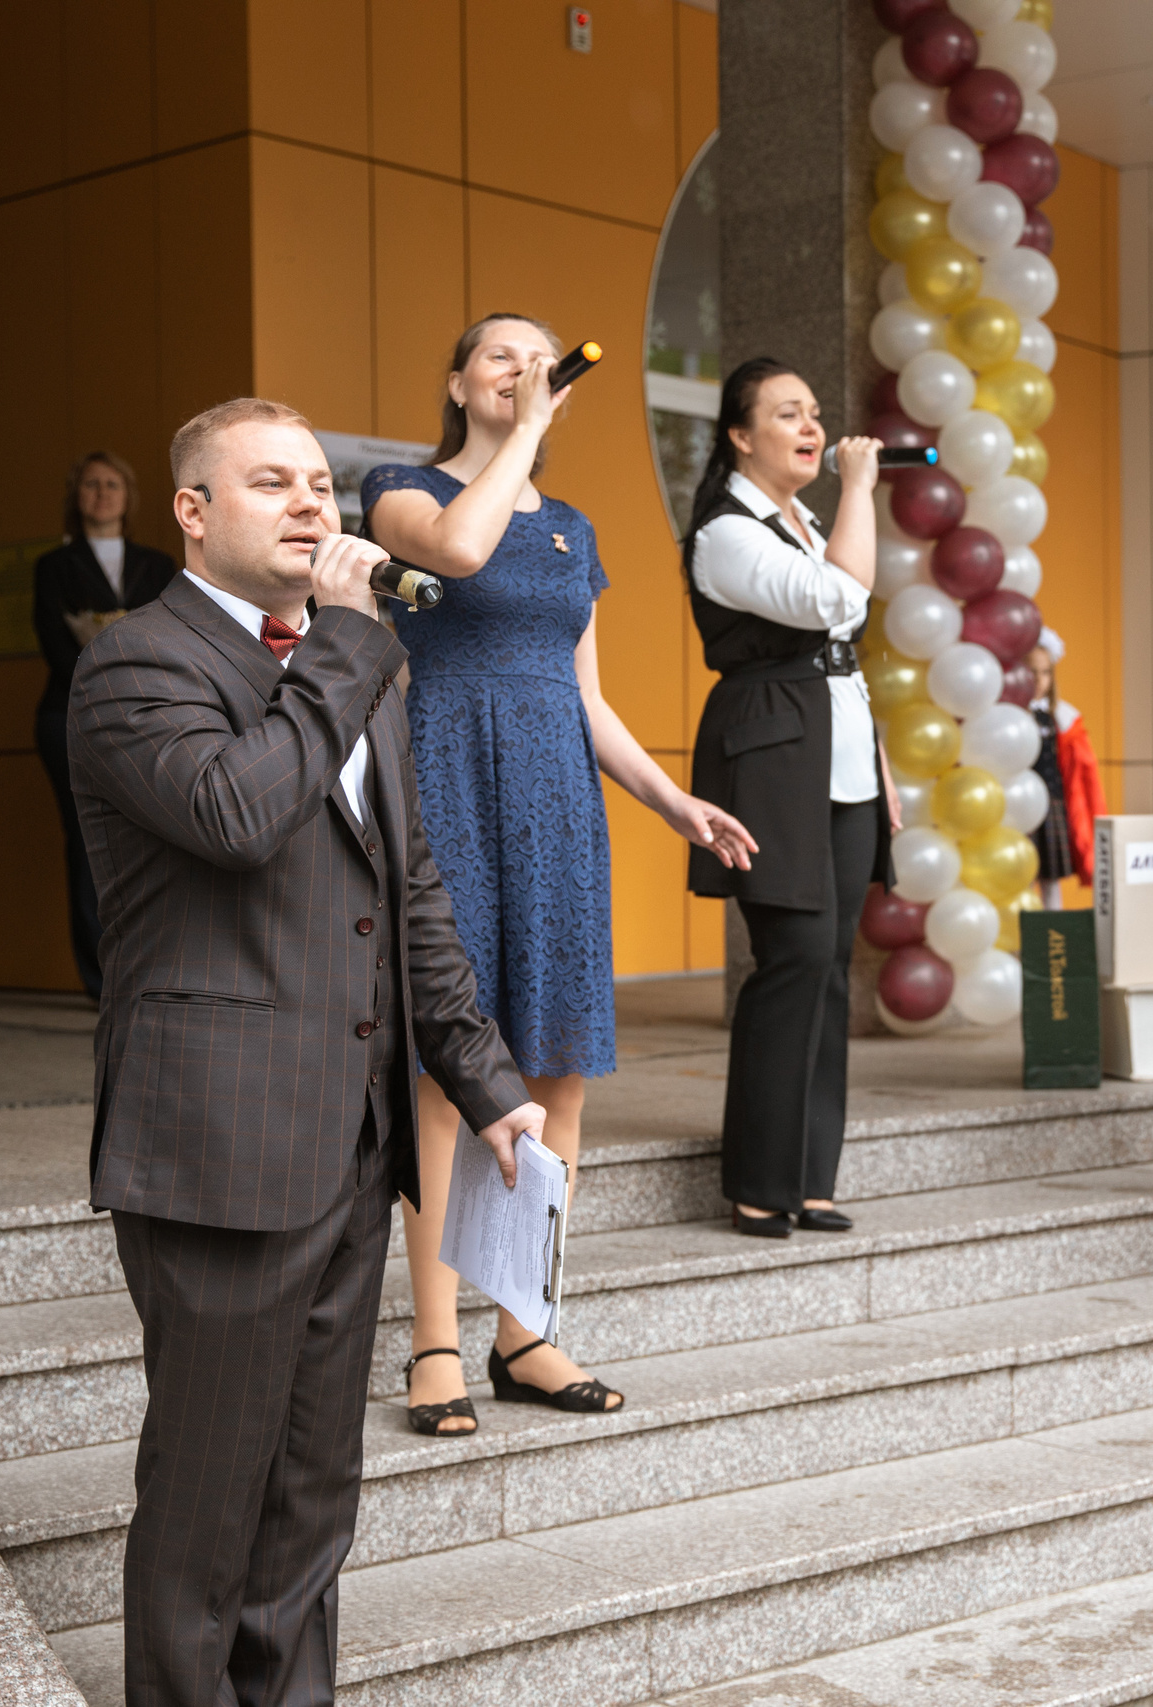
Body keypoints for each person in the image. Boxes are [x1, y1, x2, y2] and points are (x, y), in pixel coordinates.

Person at [70, 396, 545, 1706]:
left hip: (352, 1142)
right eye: (269, 481)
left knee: (311, 1498)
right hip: (219, 1144)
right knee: (208, 1503)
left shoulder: (363, 669)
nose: (308, 503)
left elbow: (413, 894)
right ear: (192, 510)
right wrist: (345, 640)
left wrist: (489, 1085)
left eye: (317, 483)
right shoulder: (134, 665)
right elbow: (237, 810)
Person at [364, 311, 754, 1433]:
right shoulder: (404, 491)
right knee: (451, 1072)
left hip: (556, 814)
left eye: (540, 360)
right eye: (499, 354)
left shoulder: (573, 530)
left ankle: (522, 1330)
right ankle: (432, 1339)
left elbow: (586, 698)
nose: (522, 369)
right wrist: (522, 438)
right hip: (449, 792)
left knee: (557, 1072)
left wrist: (673, 802)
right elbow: (455, 555)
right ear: (457, 380)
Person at [683, 357, 895, 1239]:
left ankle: (811, 1174)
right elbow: (837, 597)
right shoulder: (727, 530)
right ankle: (759, 1179)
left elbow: (843, 639)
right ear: (739, 434)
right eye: (787, 414)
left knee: (831, 972)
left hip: (838, 759)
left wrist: (882, 769)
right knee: (794, 961)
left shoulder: (805, 518)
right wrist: (861, 489)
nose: (811, 428)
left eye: (815, 412)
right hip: (771, 755)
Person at [33, 451, 176, 998]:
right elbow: (51, 641)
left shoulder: (159, 564)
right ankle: (100, 980)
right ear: (76, 496)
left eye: (112, 483)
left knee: (156, 840)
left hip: (149, 714)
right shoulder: (53, 566)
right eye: (90, 484)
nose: (101, 493)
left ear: (129, 495)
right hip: (69, 711)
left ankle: (151, 967)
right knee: (86, 843)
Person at [1025, 627, 1105, 909]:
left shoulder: (1062, 718)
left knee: (1049, 881)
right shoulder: (1010, 716)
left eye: (1045, 672)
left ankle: (1052, 940)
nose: (1038, 679)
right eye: (1032, 671)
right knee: (1021, 876)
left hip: (1051, 806)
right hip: (1019, 807)